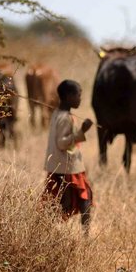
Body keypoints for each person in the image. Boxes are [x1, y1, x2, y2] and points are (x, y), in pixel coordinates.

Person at [44, 80, 95, 233]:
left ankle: (48, 233)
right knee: (85, 199)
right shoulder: (65, 117)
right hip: (69, 167)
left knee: (60, 202)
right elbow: (61, 143)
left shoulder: (57, 114)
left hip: (56, 165)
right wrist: (82, 132)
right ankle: (86, 235)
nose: (80, 99)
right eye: (77, 96)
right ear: (67, 97)